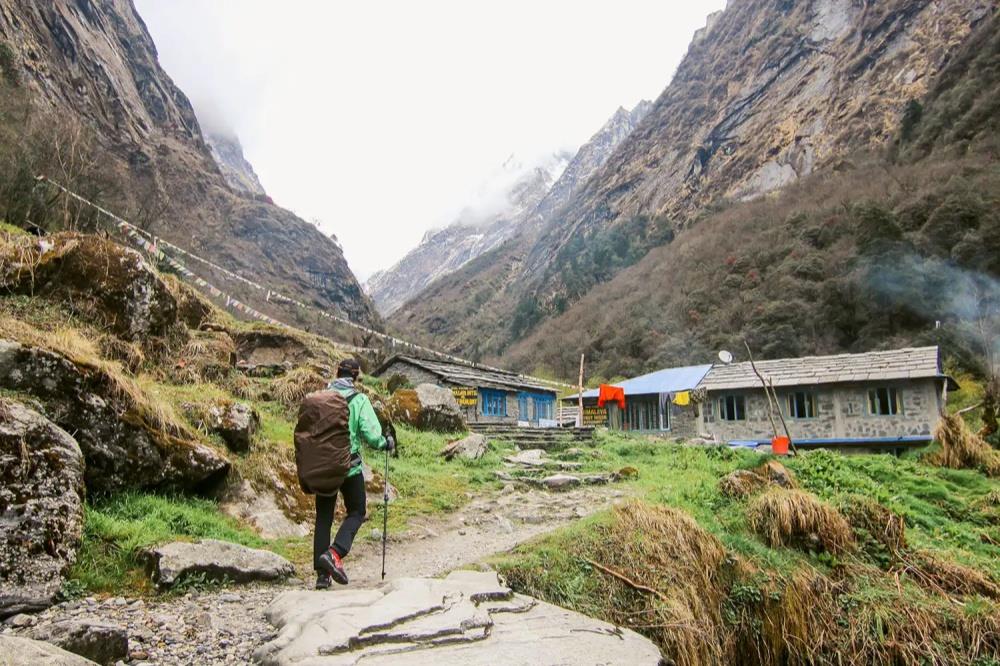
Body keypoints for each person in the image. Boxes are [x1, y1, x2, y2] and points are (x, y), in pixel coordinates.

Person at [313, 358, 394, 589]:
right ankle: (335, 554)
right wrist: (384, 442)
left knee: (324, 517)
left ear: (336, 373)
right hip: (350, 467)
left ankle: (322, 576)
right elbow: (371, 434)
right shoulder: (359, 400)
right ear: (355, 377)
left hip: (323, 467)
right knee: (357, 511)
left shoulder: (321, 397)